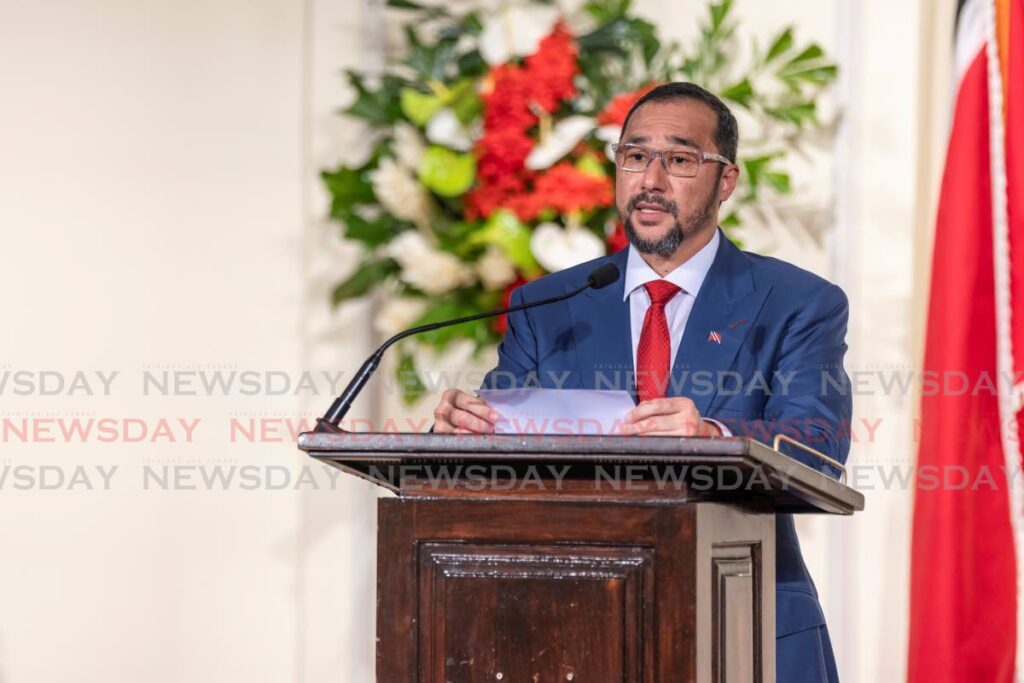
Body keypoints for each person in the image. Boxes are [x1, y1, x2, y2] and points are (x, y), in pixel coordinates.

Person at [432, 81, 851, 682]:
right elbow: (501, 446)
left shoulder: (796, 303)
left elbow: (820, 448)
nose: (650, 179)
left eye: (679, 159)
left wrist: (714, 434)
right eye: (634, 155)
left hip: (742, 623)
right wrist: (459, 434)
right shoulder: (549, 303)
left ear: (725, 180)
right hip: (571, 628)